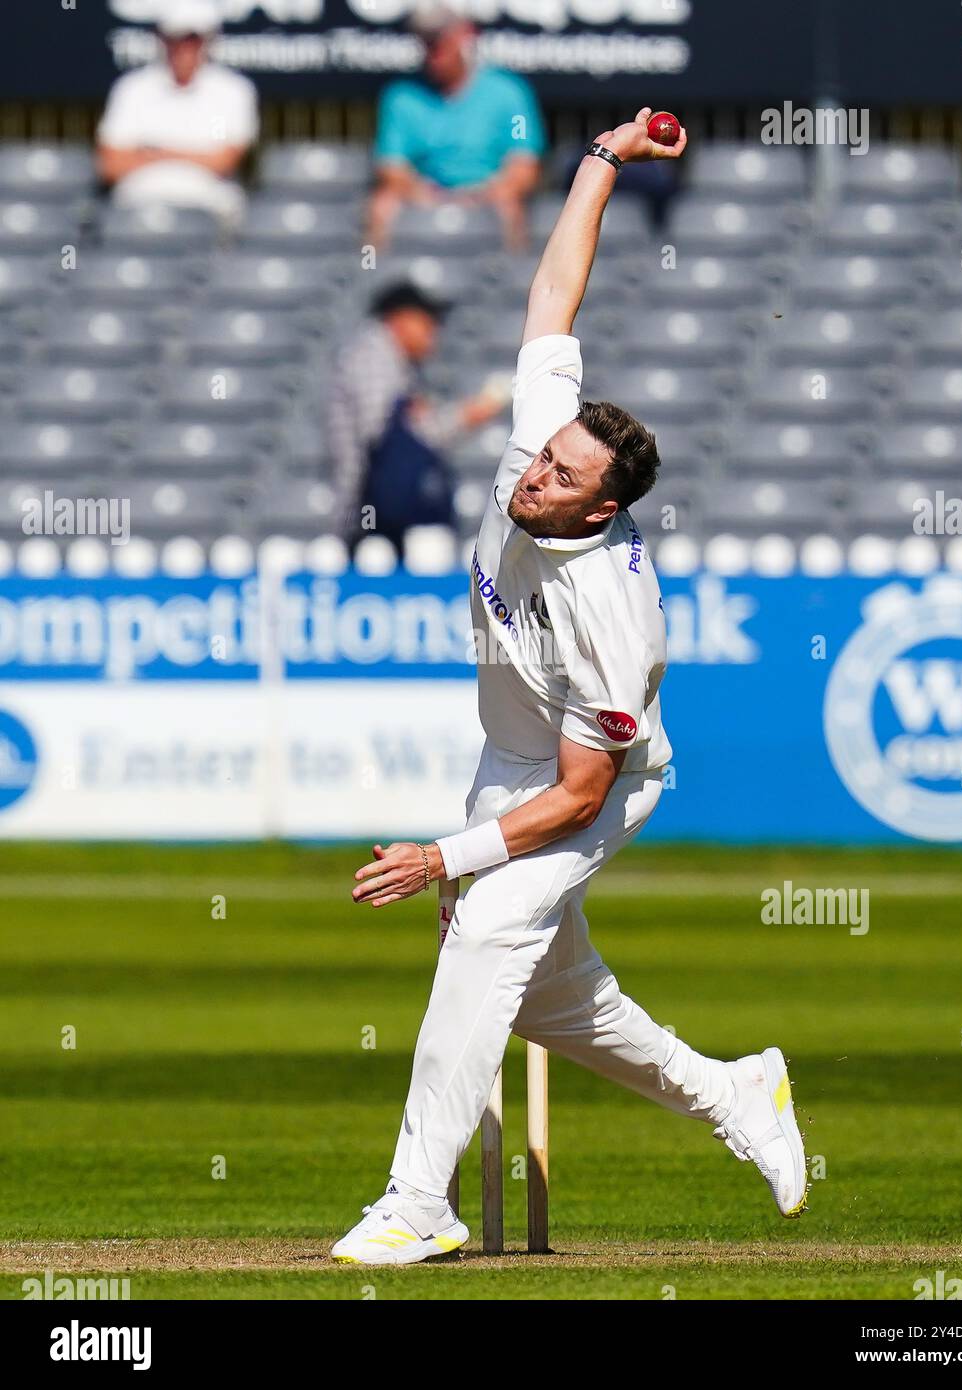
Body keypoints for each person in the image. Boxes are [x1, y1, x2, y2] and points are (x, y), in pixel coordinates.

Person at [332, 110, 808, 1266]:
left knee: (485, 928)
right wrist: (598, 159)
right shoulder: (549, 437)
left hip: (592, 778)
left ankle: (417, 1201)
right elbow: (554, 295)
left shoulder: (612, 611)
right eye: (541, 458)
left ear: (602, 509)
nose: (531, 476)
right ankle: (735, 1093)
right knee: (546, 998)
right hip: (511, 756)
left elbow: (583, 793)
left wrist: (445, 857)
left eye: (558, 479)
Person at [327, 281, 507, 556]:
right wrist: (468, 414)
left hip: (383, 515)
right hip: (371, 519)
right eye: (427, 321)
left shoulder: (392, 362)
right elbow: (384, 435)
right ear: (400, 319)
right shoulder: (372, 356)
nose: (433, 332)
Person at [367, 2, 546, 251]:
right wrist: (422, 192)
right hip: (423, 196)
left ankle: (514, 279)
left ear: (465, 34)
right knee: (382, 206)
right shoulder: (401, 97)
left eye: (441, 38)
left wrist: (489, 193)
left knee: (510, 206)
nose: (434, 49)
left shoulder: (510, 92)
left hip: (490, 195)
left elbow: (524, 164)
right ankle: (376, 278)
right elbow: (390, 166)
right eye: (426, 40)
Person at [95, 0, 259, 231]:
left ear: (209, 39)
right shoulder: (131, 89)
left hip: (210, 203)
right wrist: (194, 156)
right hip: (139, 201)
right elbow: (111, 165)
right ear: (162, 39)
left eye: (193, 38)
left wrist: (153, 153)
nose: (184, 48)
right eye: (176, 38)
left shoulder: (232, 91)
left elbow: (223, 161)